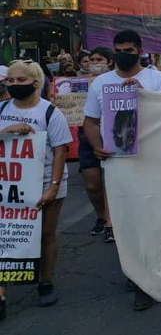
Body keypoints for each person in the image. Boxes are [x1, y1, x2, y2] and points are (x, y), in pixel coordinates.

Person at [82, 30, 161, 311]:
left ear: (139, 50)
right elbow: (90, 121)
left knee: (154, 216)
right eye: (118, 49)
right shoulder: (100, 83)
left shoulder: (156, 79)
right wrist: (97, 147)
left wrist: (142, 94)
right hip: (118, 162)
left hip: (152, 158)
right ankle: (138, 278)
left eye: (129, 49)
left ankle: (156, 270)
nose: (123, 53)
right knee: (127, 220)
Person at [0, 60, 73, 316]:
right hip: (7, 185)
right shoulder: (1, 110)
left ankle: (45, 282)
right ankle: (1, 292)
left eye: (21, 80)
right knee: (5, 236)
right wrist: (6, 131)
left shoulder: (50, 113)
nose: (15, 85)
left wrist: (53, 187)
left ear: (35, 82)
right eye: (11, 80)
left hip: (43, 183)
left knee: (46, 235)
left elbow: (61, 149)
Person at [76, 47, 113, 237]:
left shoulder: (114, 81)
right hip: (86, 134)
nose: (95, 62)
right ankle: (101, 216)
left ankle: (110, 222)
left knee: (110, 183)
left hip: (110, 134)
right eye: (92, 59)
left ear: (109, 62)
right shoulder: (74, 81)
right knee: (92, 184)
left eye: (100, 59)